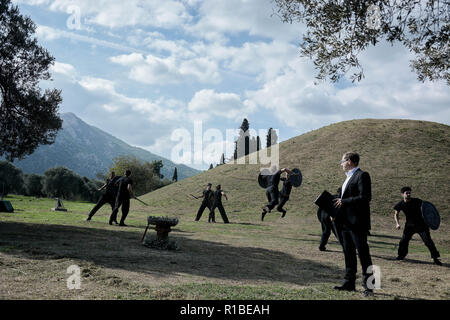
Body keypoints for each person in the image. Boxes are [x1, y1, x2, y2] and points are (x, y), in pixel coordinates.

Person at [332, 152, 374, 297]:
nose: (341, 164)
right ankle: (349, 283)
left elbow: (365, 197)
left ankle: (369, 287)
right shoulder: (347, 178)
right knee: (348, 253)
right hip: (344, 223)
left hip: (357, 223)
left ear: (349, 161)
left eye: (342, 161)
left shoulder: (362, 175)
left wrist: (345, 201)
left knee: (363, 254)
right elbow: (341, 199)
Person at [393, 186, 441, 265]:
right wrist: (397, 223)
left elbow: (428, 209)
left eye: (409, 193)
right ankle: (401, 256)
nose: (408, 194)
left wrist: (430, 220)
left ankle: (435, 258)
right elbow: (396, 214)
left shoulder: (417, 201)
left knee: (428, 242)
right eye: (406, 193)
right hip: (409, 226)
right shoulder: (400, 204)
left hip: (421, 225)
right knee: (403, 241)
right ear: (402, 194)